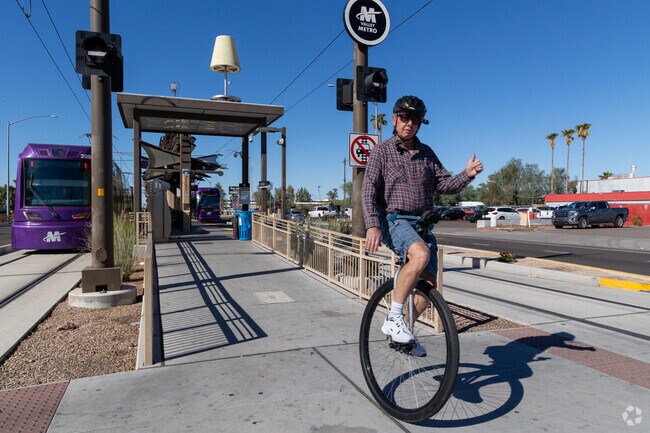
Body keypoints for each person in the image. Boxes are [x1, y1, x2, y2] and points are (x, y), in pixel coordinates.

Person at [361, 95, 484, 356]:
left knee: (429, 284)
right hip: (395, 220)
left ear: (419, 124)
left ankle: (404, 333)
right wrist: (372, 225)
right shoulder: (381, 152)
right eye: (404, 118)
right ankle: (393, 317)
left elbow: (444, 185)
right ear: (394, 119)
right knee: (421, 254)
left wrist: (467, 174)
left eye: (415, 119)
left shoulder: (427, 154)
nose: (409, 123)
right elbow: (368, 190)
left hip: (423, 224)